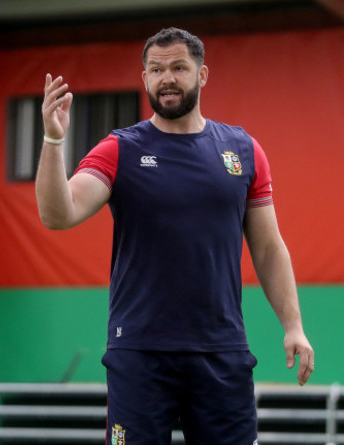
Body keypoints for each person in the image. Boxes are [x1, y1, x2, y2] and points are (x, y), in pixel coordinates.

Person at [36, 28, 314, 445]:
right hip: (140, 353)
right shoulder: (119, 149)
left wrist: (293, 325)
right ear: (145, 77)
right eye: (156, 69)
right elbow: (58, 214)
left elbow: (269, 248)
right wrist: (54, 139)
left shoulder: (243, 150)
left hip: (222, 351)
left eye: (179, 68)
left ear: (202, 75)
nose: (167, 78)